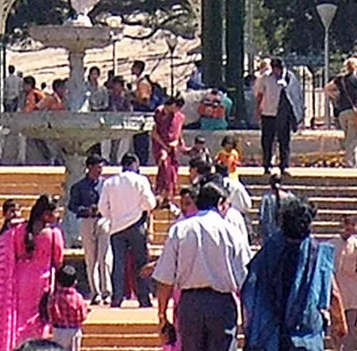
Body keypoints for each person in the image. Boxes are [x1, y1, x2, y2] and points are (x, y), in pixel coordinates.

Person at [153, 176, 251, 351]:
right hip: (222, 304)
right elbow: (246, 279)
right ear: (221, 202)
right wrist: (246, 318)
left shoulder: (180, 229)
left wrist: (162, 314)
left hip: (190, 304)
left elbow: (165, 278)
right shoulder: (232, 232)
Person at [242, 191, 343, 351]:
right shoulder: (318, 253)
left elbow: (250, 290)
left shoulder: (269, 251)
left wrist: (250, 329)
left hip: (270, 336)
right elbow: (334, 294)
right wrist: (340, 324)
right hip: (305, 337)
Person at [0, 190, 67, 351]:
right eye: (55, 213)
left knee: (19, 318)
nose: (57, 216)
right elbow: (58, 261)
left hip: (20, 280)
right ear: (45, 215)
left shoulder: (18, 230)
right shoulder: (53, 234)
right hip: (42, 282)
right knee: (38, 318)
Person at [99, 150, 156, 307]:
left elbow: (102, 207)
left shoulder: (110, 182)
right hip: (136, 225)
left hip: (117, 228)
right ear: (135, 165)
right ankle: (143, 298)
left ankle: (117, 298)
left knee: (119, 263)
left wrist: (113, 217)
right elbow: (150, 204)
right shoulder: (141, 180)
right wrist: (139, 210)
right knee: (141, 263)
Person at [68, 152, 111, 301]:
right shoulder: (79, 187)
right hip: (87, 221)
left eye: (101, 167)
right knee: (90, 258)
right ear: (89, 167)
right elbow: (72, 206)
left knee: (104, 257)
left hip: (103, 220)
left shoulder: (107, 185)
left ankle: (107, 291)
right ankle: (95, 292)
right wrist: (85, 210)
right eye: (98, 167)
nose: (100, 170)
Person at [253, 57, 299, 175]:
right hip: (268, 113)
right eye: (274, 69)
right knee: (267, 141)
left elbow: (295, 95)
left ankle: (284, 165)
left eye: (278, 69)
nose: (276, 72)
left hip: (283, 115)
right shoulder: (265, 78)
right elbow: (260, 94)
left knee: (284, 141)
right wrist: (258, 109)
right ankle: (267, 165)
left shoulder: (288, 78)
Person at [334, 213, 357, 349]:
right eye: (346, 225)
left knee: (351, 328)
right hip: (337, 290)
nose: (348, 229)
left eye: (352, 226)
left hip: (353, 291)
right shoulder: (332, 244)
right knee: (336, 328)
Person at [44, 259, 91, 351]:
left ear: (58, 282)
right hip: (74, 330)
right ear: (75, 282)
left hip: (59, 330)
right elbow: (82, 316)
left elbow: (50, 314)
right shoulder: (78, 298)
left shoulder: (54, 297)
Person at [332, 55, 357, 168]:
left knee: (348, 137)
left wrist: (336, 97)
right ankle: (351, 163)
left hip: (342, 112)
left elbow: (327, 89)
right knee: (354, 139)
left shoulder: (340, 79)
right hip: (354, 111)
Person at [153, 91, 186, 205]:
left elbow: (178, 131)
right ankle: (160, 194)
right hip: (161, 145)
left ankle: (169, 197)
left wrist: (180, 143)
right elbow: (154, 133)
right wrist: (164, 146)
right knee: (164, 166)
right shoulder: (159, 112)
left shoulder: (179, 116)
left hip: (173, 147)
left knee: (172, 171)